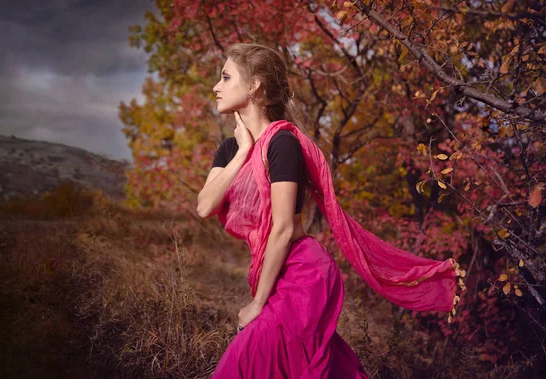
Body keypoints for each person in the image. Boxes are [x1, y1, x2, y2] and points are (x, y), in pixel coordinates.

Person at [197, 43, 464, 378]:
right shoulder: (230, 148)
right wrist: (242, 152)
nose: (215, 86)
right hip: (272, 273)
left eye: (225, 76)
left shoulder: (283, 144)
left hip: (303, 273)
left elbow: (281, 229)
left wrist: (257, 303)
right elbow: (206, 205)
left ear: (254, 86)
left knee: (243, 364)